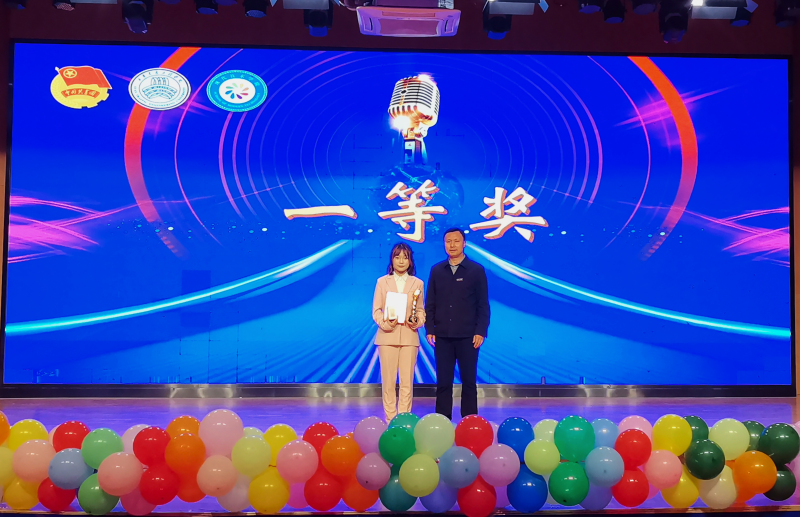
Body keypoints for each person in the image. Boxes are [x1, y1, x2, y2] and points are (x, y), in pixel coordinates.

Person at [425, 228, 490, 420]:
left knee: (469, 381)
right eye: (448, 241)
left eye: (456, 241)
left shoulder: (476, 270)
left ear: (464, 244)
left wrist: (480, 331)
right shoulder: (437, 270)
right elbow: (430, 302)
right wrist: (430, 329)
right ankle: (442, 421)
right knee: (443, 382)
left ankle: (469, 422)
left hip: (468, 336)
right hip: (442, 336)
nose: (452, 245)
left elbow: (483, 304)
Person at [372, 243, 426, 422]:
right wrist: (386, 323)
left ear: (410, 261)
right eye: (397, 257)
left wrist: (417, 321)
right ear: (392, 259)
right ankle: (390, 420)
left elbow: (421, 310)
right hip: (387, 337)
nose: (401, 261)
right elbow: (376, 310)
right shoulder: (382, 282)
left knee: (406, 382)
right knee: (388, 382)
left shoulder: (418, 283)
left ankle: (403, 419)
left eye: (405, 257)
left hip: (409, 337)